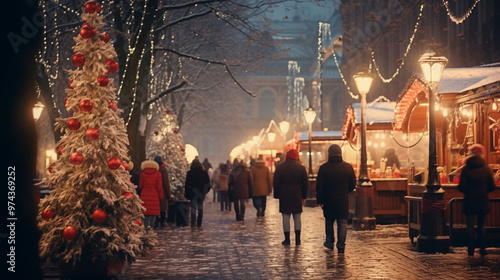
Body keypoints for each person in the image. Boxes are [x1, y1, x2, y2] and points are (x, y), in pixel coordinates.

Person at [316, 144, 356, 253]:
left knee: (329, 221)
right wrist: (345, 191)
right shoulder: (347, 167)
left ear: (329, 154)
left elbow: (319, 186)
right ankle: (341, 245)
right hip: (342, 199)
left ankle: (329, 243)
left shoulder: (324, 168)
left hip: (328, 200)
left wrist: (320, 200)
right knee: (342, 222)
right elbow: (353, 184)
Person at [458, 144, 496, 256]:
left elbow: (462, 187)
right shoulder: (486, 168)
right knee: (481, 226)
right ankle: (482, 249)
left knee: (469, 227)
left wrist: (469, 191)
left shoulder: (465, 169)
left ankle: (470, 250)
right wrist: (483, 191)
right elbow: (492, 186)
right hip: (482, 201)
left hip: (469, 201)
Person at [273, 149, 308, 245]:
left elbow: (276, 182)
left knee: (285, 216)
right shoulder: (301, 168)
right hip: (297, 193)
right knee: (297, 216)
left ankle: (287, 239)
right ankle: (297, 239)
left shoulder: (280, 167)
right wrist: (304, 196)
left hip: (284, 194)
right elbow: (305, 183)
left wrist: (277, 195)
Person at [184, 159, 211, 227]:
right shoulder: (204, 172)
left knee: (193, 208)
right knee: (200, 208)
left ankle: (193, 223)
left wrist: (187, 194)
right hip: (201, 193)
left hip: (192, 193)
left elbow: (187, 185)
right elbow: (208, 184)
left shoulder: (189, 173)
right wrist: (205, 191)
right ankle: (199, 223)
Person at [139, 160, 164, 228]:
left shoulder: (143, 174)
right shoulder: (158, 174)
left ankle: (146, 229)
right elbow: (159, 187)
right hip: (154, 196)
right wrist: (161, 197)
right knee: (153, 214)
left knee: (146, 214)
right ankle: (152, 229)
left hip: (144, 195)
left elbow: (140, 186)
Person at [154, 156, 172, 228]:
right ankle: (162, 222)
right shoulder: (163, 170)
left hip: (155, 191)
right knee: (163, 208)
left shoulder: (154, 170)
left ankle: (155, 222)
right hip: (163, 192)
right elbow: (166, 183)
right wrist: (168, 194)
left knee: (155, 207)